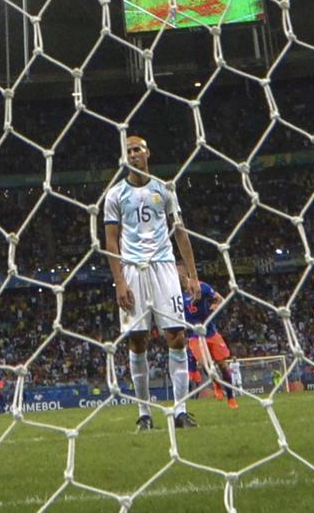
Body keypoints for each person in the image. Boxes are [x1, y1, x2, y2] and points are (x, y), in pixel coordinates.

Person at [104, 136, 202, 431]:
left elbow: (180, 232)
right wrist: (119, 282)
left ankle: (181, 411)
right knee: (138, 340)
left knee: (177, 336)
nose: (133, 154)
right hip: (133, 270)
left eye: (137, 149)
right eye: (128, 151)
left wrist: (192, 275)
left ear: (148, 153)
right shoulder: (115, 195)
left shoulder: (165, 189)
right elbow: (111, 241)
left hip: (164, 267)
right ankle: (144, 414)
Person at [184, 280, 238, 409]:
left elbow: (220, 299)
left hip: (210, 332)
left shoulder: (202, 287)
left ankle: (231, 397)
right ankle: (216, 383)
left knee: (223, 365)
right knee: (205, 364)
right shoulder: (176, 294)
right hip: (194, 335)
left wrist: (216, 305)